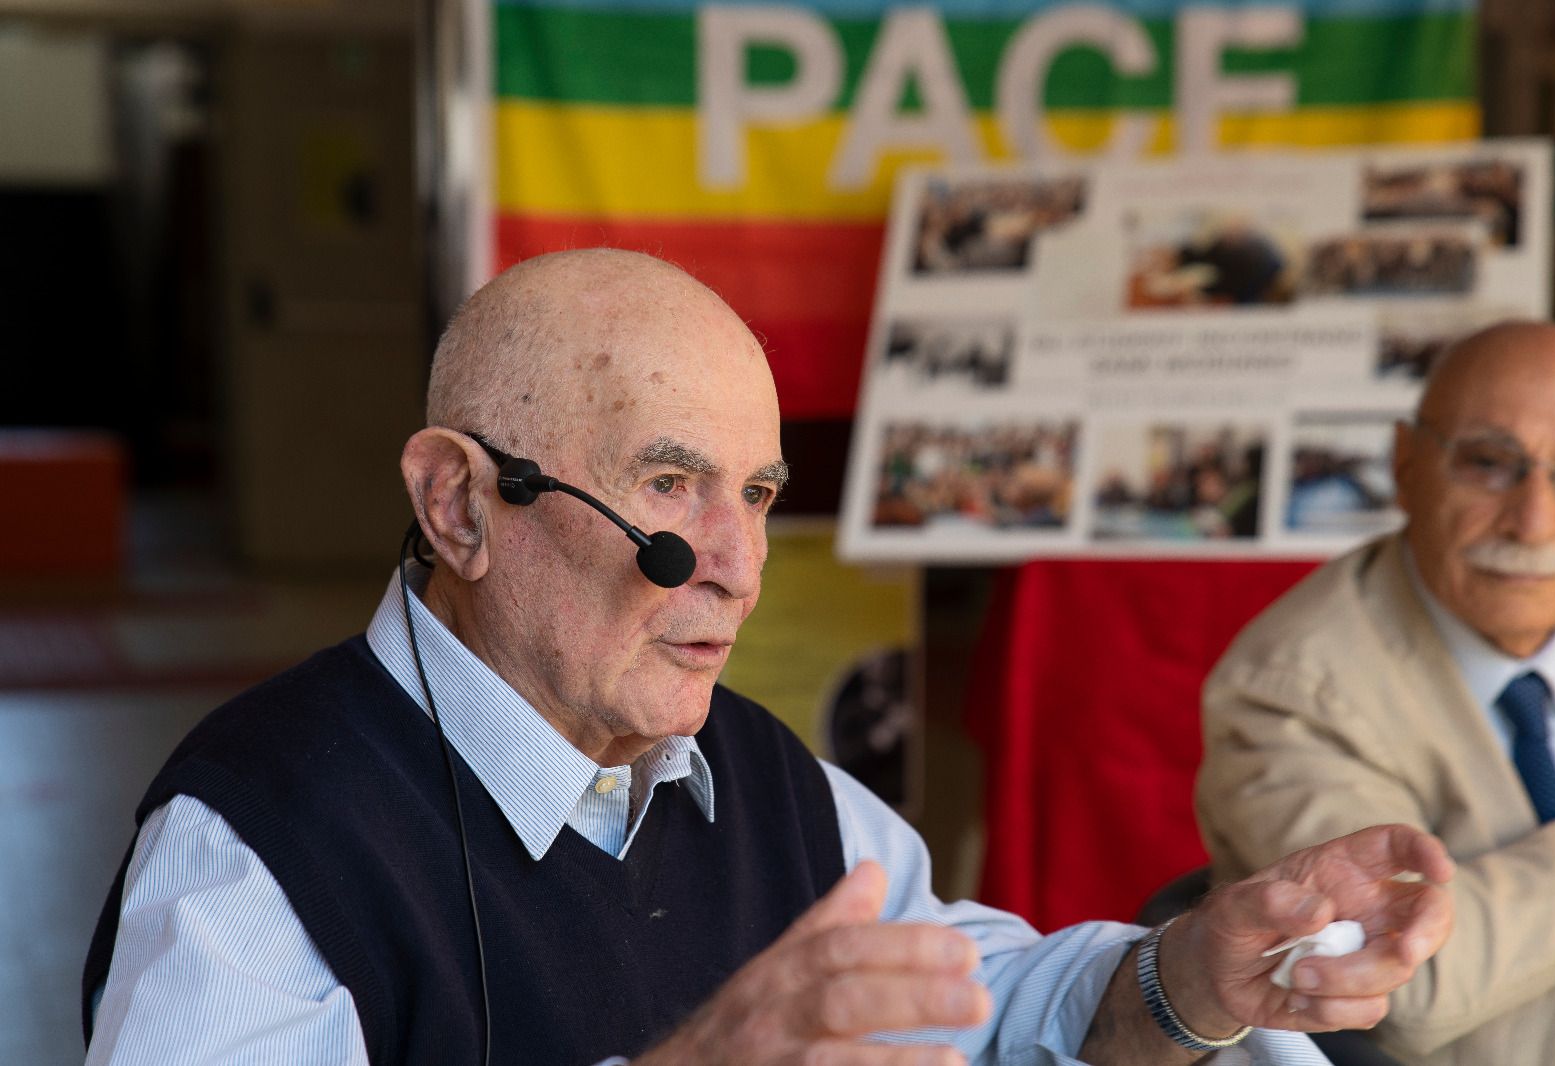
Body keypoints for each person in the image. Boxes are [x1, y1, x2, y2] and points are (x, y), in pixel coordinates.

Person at [85, 249, 1452, 1065]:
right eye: (667, 486)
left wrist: (1183, 979)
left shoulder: (757, 774)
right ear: (458, 506)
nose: (736, 564)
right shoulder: (260, 846)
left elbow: (975, 1006)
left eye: (754, 494)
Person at [1197, 319, 1555, 1066]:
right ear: (1406, 465)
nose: (1534, 521)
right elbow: (1405, 977)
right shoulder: (1289, 689)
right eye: (1490, 464)